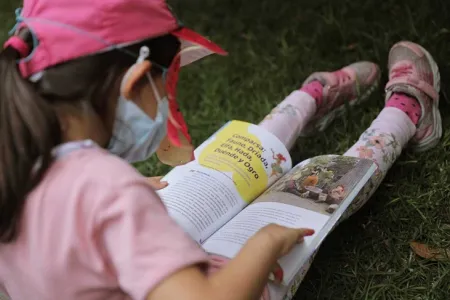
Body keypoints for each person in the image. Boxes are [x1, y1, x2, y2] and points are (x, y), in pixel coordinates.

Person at [0, 1, 441, 300]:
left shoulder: (17, 164)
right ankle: (405, 114)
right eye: (166, 88)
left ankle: (308, 99)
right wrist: (265, 242)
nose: (167, 106)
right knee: (313, 200)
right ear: (135, 83)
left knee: (238, 158)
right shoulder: (103, 186)